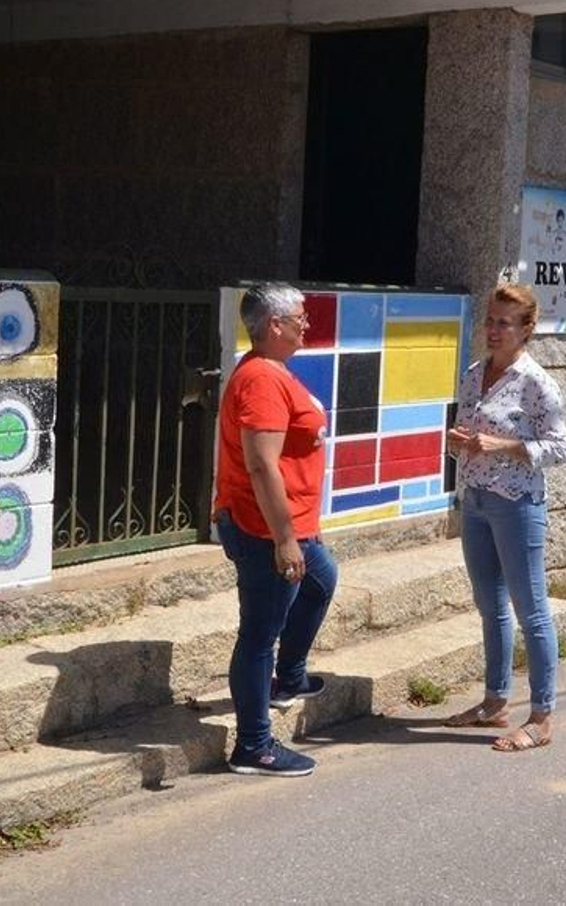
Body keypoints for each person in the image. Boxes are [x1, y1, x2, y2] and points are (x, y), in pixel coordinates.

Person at [213, 283, 337, 777]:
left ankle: (288, 678)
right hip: (262, 528)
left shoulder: (272, 370)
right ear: (274, 326)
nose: (308, 324)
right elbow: (263, 467)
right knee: (260, 634)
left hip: (289, 524)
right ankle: (254, 746)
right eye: (301, 318)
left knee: (321, 580)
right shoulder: (262, 380)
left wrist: (304, 527)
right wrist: (285, 538)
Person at [444, 283, 566, 751]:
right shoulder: (474, 373)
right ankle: (495, 702)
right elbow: (465, 429)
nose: (493, 330)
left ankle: (541, 717)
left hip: (517, 504)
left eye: (504, 323)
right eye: (490, 320)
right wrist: (458, 441)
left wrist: (503, 446)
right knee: (489, 605)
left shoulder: (537, 382)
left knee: (532, 611)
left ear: (526, 330)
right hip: (475, 498)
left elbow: (560, 447)